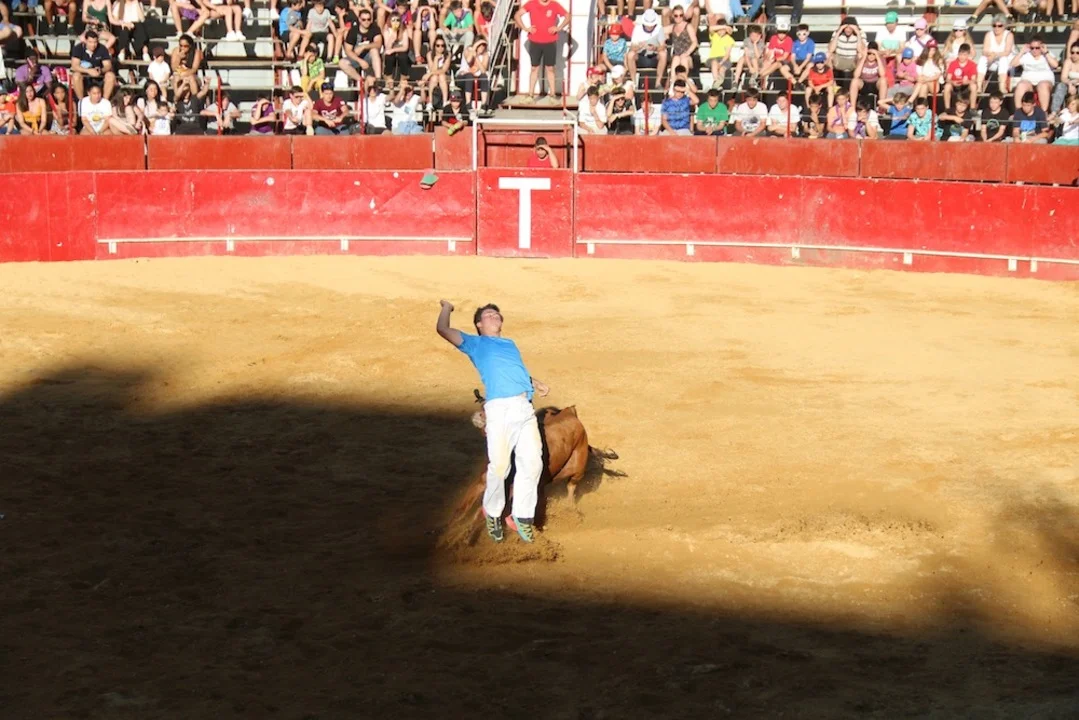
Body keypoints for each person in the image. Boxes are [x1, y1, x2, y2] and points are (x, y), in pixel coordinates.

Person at [436, 301, 549, 544]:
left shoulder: (510, 344)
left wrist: (534, 382)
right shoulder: (474, 343)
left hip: (524, 407)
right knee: (499, 466)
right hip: (500, 409)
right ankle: (494, 513)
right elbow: (443, 330)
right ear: (479, 324)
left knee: (533, 463)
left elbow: (513, 370)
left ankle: (522, 515)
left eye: (497, 313)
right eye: (488, 314)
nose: (494, 315)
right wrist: (446, 308)